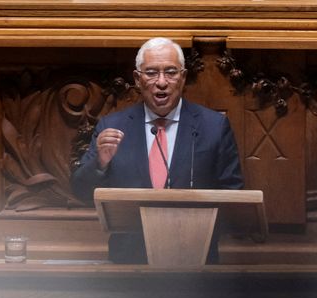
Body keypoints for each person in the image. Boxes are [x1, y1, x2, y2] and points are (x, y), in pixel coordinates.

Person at [71, 37, 245, 264]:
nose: (161, 82)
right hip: (129, 262)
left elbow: (233, 195)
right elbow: (81, 192)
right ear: (137, 78)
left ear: (183, 78)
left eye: (171, 72)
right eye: (151, 72)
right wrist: (100, 164)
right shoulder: (112, 127)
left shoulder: (213, 126)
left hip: (195, 260)